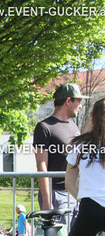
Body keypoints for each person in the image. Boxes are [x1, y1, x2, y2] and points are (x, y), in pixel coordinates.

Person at [59, 97, 105, 236]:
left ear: (92, 118)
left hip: (90, 208)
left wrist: (86, 199)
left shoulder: (81, 144)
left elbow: (69, 183)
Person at [33, 83, 87, 223]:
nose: (81, 106)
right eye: (79, 101)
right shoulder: (44, 127)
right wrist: (47, 201)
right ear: (68, 101)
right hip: (56, 194)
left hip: (75, 192)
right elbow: (41, 165)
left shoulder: (74, 126)